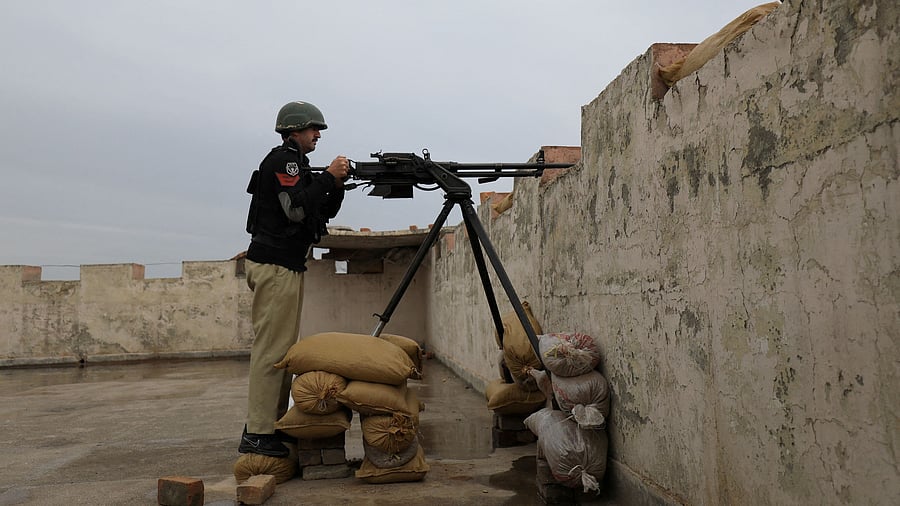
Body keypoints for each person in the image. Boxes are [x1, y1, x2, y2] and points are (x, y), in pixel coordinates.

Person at [239, 101, 350, 457]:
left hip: (285, 265)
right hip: (274, 265)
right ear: (294, 130)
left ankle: (269, 426)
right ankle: (257, 432)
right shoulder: (284, 161)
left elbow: (317, 208)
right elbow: (296, 208)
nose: (318, 135)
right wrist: (328, 177)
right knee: (272, 351)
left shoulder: (298, 166)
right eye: (313, 129)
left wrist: (336, 184)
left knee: (282, 352)